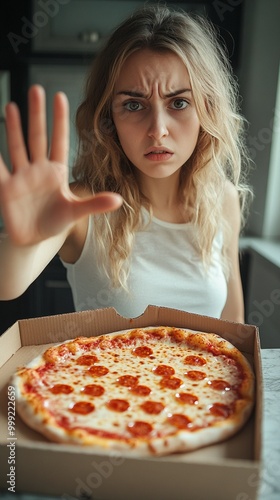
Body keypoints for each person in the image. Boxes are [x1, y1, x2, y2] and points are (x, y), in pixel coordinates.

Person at [0, 4, 252, 322]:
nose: (158, 129)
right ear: (109, 118)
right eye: (134, 104)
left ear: (208, 109)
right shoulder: (81, 205)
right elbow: (6, 285)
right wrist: (24, 241)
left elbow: (233, 326)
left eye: (179, 102)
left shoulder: (224, 199)